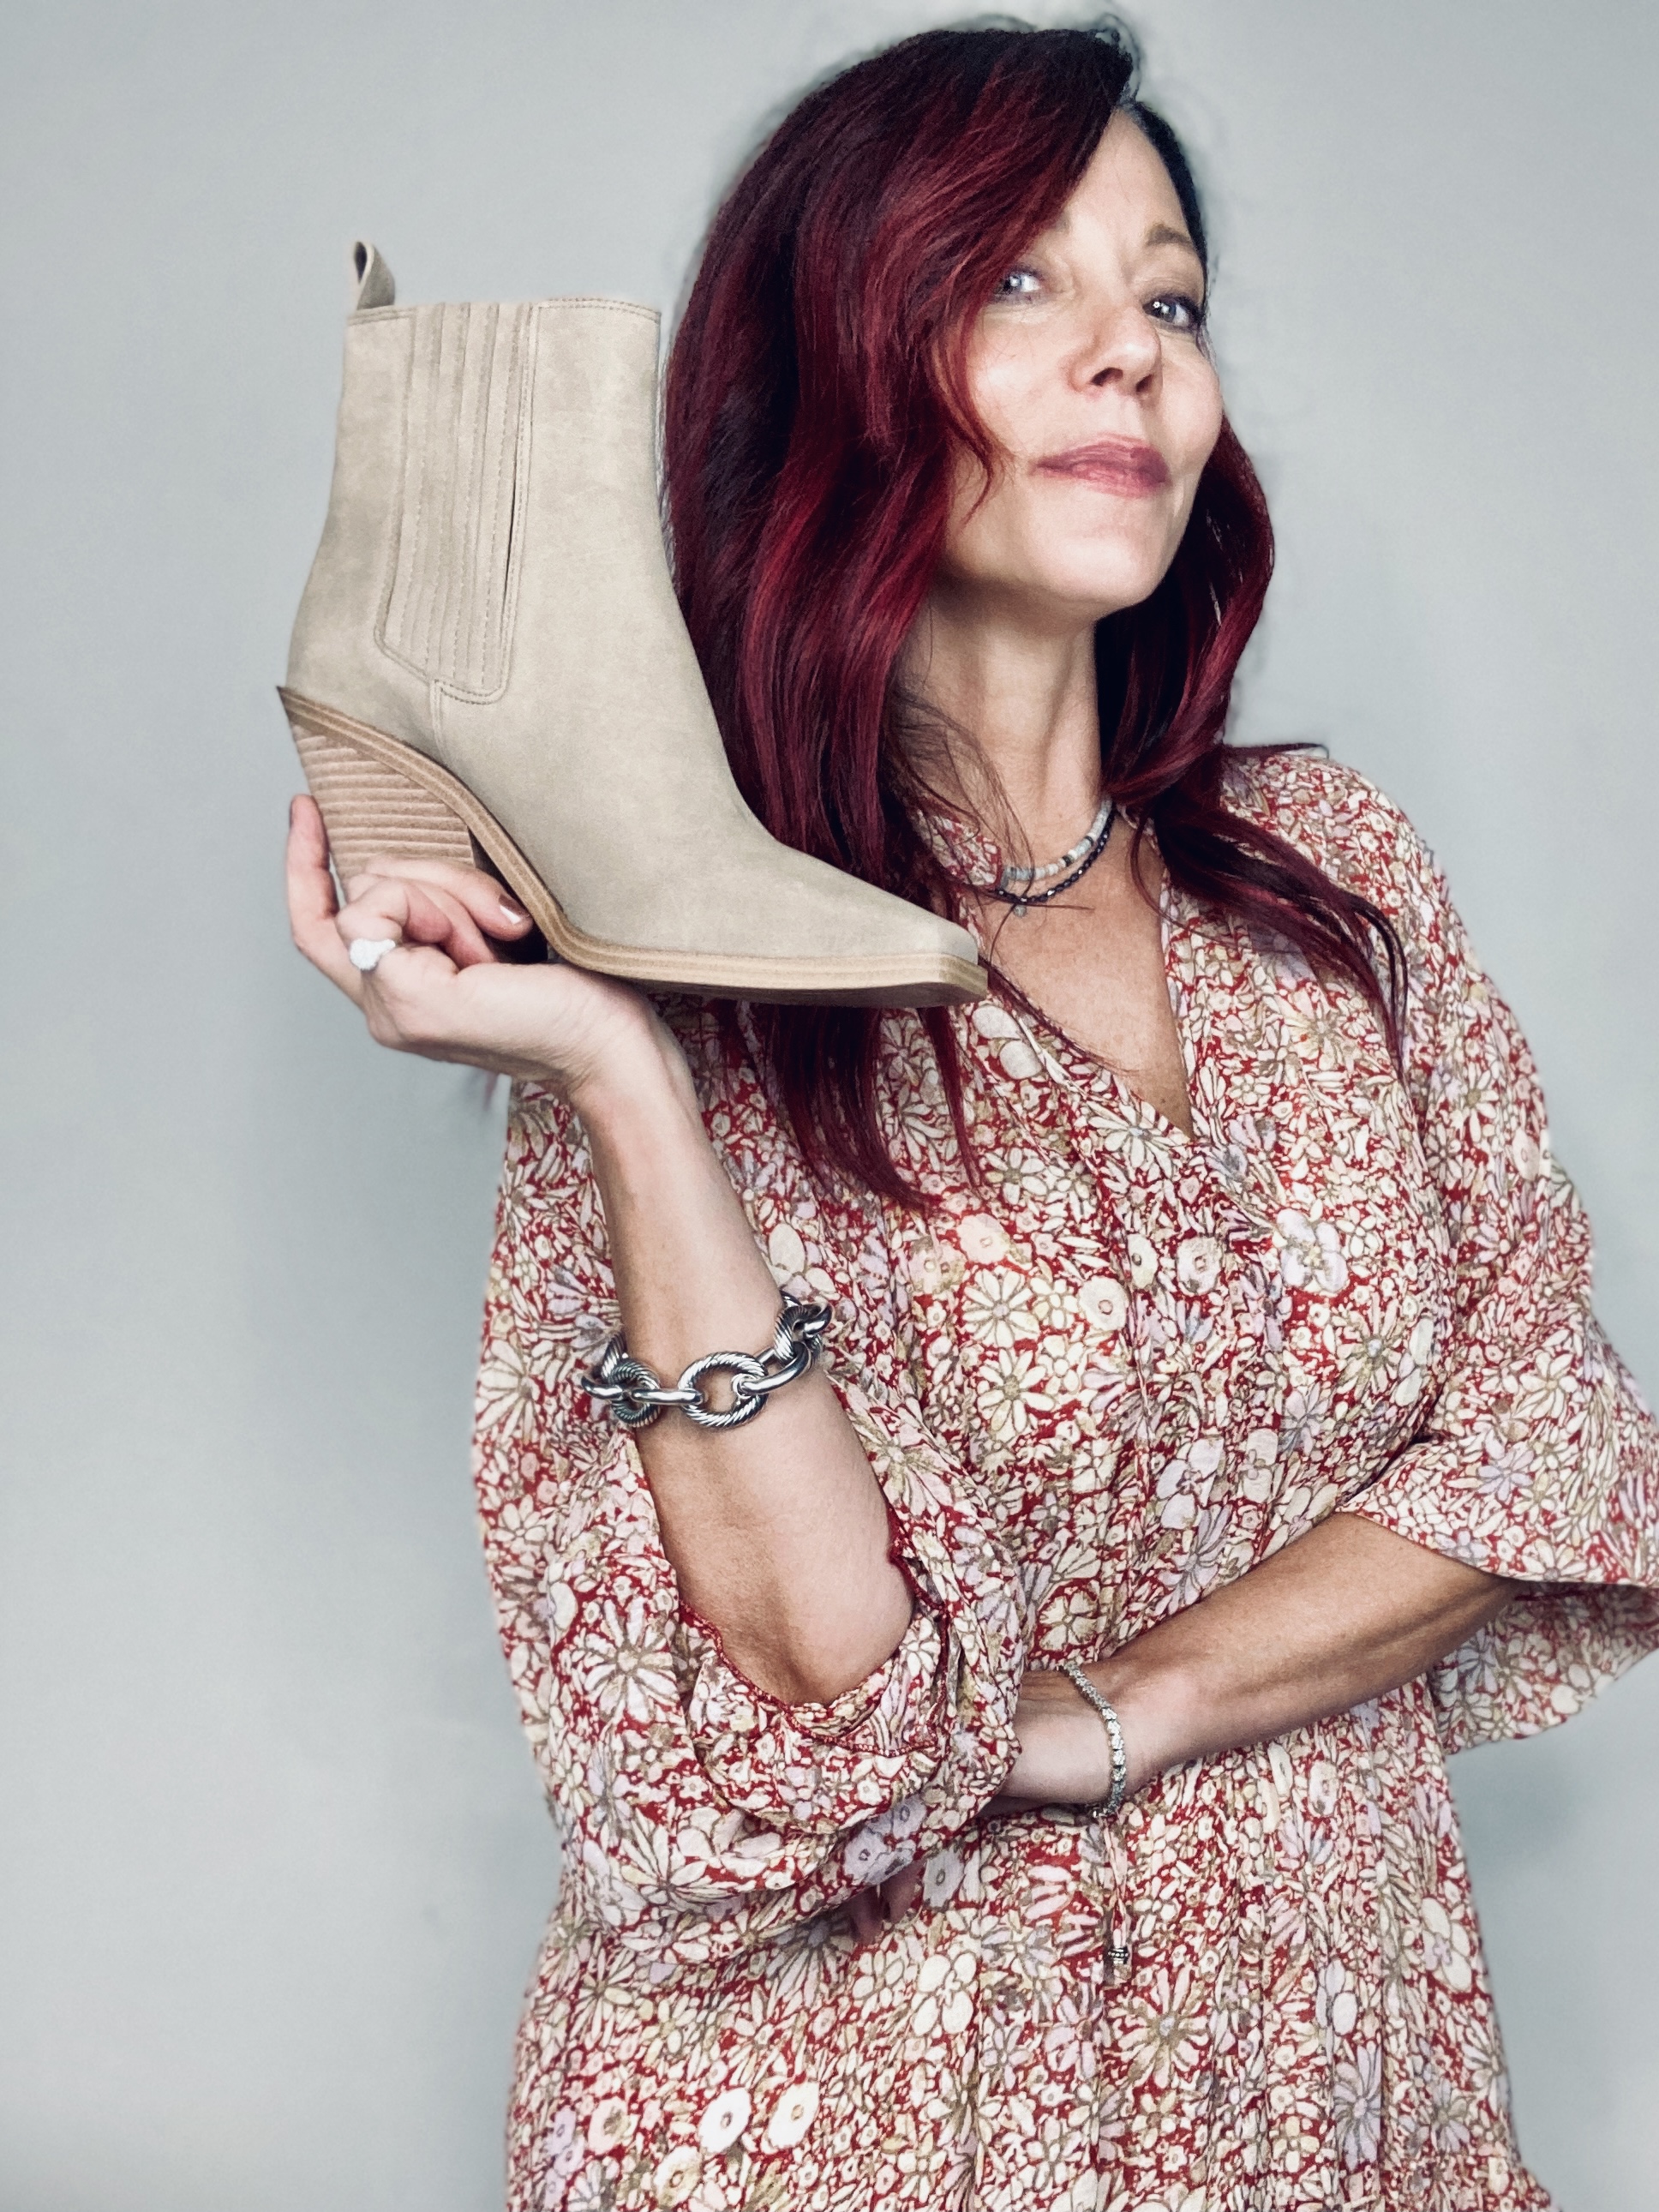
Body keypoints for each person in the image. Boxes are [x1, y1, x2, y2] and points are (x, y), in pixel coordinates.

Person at [285, 21, 1658, 2210]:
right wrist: (623, 1074)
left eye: (1168, 296)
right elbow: (812, 1709)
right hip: (875, 2116)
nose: (1129, 351)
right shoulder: (681, 946)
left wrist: (1123, 1713)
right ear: (831, 371)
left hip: (1329, 2079)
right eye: (1018, 279)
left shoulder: (1331, 879)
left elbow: (1546, 1445)